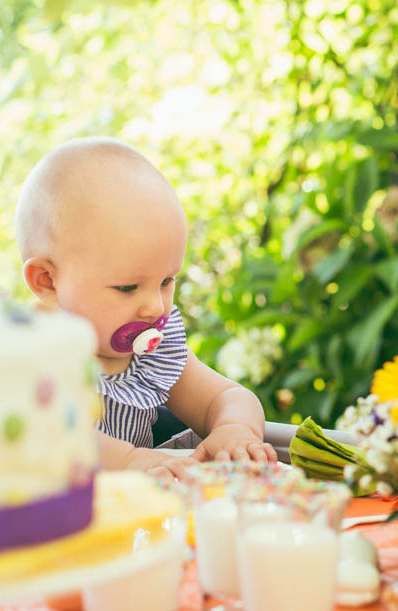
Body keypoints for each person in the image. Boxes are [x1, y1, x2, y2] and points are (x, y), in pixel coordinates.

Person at [16, 138, 277, 475]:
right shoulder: (28, 357)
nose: (155, 307)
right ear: (47, 281)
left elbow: (225, 396)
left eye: (167, 281)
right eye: (127, 287)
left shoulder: (152, 351)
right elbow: (53, 438)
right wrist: (128, 460)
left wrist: (234, 428)